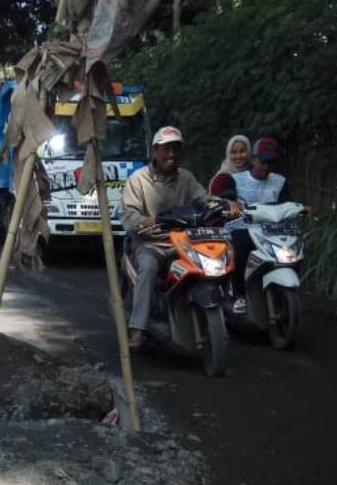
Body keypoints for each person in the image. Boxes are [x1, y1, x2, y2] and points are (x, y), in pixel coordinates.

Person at [121, 125, 208, 349]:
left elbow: (204, 199)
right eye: (166, 149)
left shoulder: (186, 178)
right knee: (148, 268)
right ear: (155, 152)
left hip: (184, 243)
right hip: (152, 244)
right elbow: (129, 216)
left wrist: (223, 204)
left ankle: (215, 317)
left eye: (176, 149)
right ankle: (137, 327)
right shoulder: (138, 179)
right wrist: (145, 221)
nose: (172, 154)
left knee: (207, 265)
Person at [228, 137, 291, 312]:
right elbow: (223, 201)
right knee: (239, 247)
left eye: (271, 162)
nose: (266, 166)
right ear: (253, 159)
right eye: (263, 161)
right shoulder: (235, 180)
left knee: (289, 249)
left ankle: (283, 288)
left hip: (270, 230)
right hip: (242, 228)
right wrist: (230, 206)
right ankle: (238, 294)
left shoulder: (280, 181)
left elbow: (287, 203)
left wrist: (299, 208)